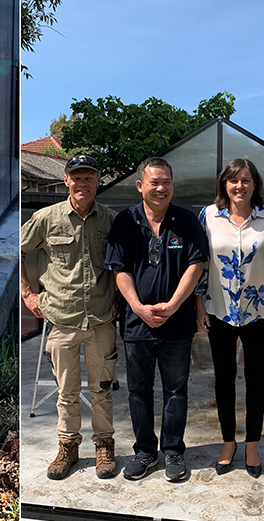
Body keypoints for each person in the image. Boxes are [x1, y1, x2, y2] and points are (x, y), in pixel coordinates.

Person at [105, 157, 207, 482]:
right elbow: (119, 269)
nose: (161, 188)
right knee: (138, 391)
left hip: (177, 324)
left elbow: (196, 265)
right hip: (137, 324)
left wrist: (176, 305)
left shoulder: (187, 221)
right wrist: (137, 307)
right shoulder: (125, 221)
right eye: (154, 182)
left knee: (176, 389)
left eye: (166, 182)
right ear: (140, 186)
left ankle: (174, 451)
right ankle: (145, 451)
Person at [19, 154, 119, 481]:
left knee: (102, 388)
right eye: (76, 177)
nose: (82, 183)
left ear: (98, 181)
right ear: (66, 181)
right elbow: (15, 248)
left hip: (101, 320)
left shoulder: (111, 221)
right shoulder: (46, 218)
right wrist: (27, 294)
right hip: (62, 319)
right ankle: (68, 447)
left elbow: (125, 264)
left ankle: (104, 445)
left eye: (89, 177)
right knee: (67, 391)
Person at [194, 158, 264, 477]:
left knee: (256, 380)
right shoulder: (208, 216)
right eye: (233, 180)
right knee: (224, 379)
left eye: (246, 180)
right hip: (219, 312)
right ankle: (228, 442)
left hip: (259, 313)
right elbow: (200, 264)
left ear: (255, 184)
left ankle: (252, 443)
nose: (239, 186)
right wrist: (199, 306)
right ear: (224, 184)